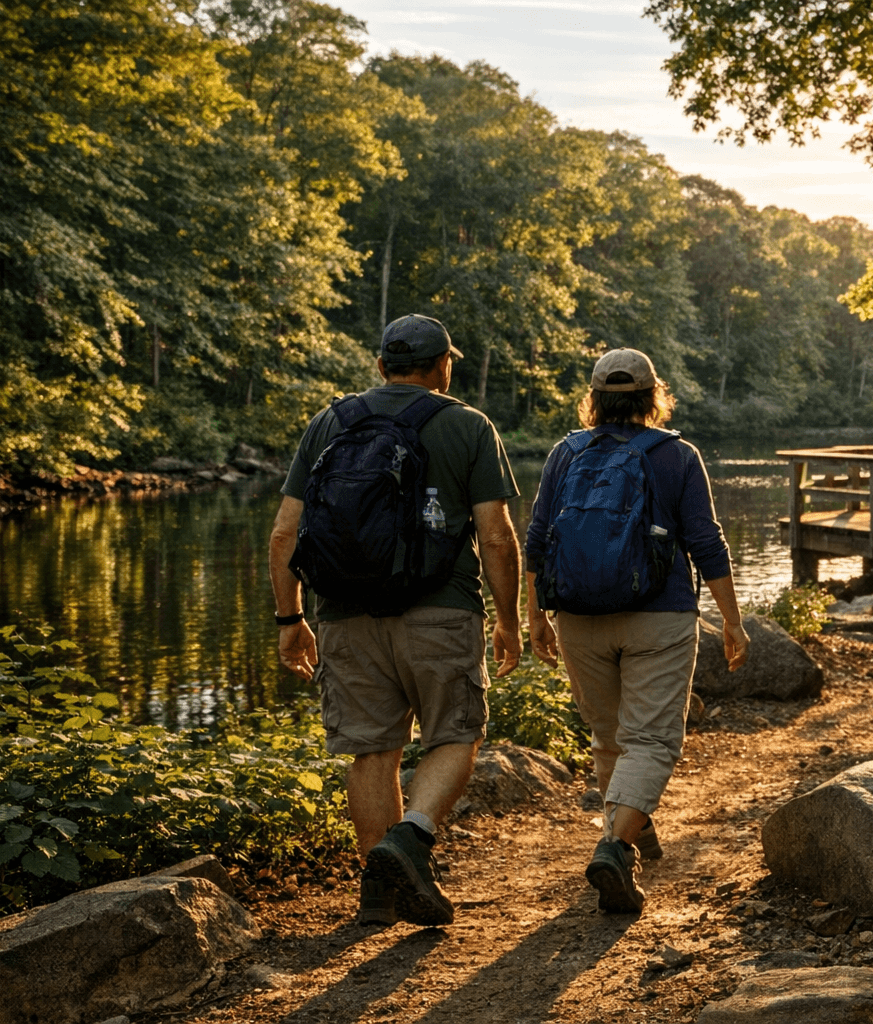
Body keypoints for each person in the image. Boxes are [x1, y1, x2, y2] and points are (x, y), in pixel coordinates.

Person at [268, 313, 524, 928]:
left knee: (371, 752)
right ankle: (408, 839)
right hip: (441, 611)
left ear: (380, 365)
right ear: (444, 366)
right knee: (456, 735)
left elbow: (284, 534)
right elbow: (496, 537)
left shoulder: (328, 424)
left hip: (343, 616)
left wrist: (289, 618)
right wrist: (510, 618)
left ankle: (377, 898)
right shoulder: (467, 425)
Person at [525, 348, 750, 914]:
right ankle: (616, 845)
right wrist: (732, 618)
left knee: (609, 738)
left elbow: (536, 539)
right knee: (650, 740)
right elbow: (706, 540)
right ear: (654, 397)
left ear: (594, 400)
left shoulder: (564, 453)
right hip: (661, 614)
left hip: (577, 617)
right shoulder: (677, 455)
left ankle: (627, 828)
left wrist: (534, 617)